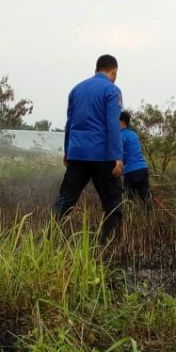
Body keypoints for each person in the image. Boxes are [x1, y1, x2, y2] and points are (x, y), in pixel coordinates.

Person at [52, 54, 125, 242]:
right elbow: (112, 125)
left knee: (65, 200)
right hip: (102, 157)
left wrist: (67, 151)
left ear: (96, 69)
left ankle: (48, 238)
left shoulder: (76, 90)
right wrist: (117, 156)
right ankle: (109, 244)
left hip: (77, 155)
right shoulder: (112, 90)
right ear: (114, 71)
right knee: (112, 203)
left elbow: (70, 123)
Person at [118, 111, 152, 205]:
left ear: (122, 122)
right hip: (143, 169)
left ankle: (130, 218)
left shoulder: (120, 136)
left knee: (129, 200)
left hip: (131, 172)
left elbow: (117, 155)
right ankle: (150, 215)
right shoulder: (134, 134)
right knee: (146, 197)